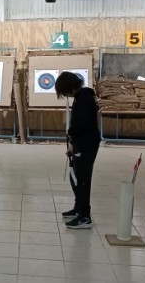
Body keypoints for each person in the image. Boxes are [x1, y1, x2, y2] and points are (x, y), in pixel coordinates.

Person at [55, 71, 100, 229]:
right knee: (76, 177)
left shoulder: (85, 98)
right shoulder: (80, 97)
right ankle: (78, 208)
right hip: (81, 143)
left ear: (70, 87)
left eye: (64, 91)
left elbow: (80, 124)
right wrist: (72, 142)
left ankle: (85, 217)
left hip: (86, 144)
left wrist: (71, 134)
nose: (65, 95)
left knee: (82, 180)